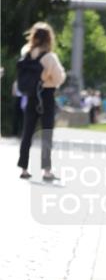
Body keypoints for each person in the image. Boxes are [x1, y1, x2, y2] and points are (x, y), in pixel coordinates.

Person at [17, 21, 66, 181]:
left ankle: (24, 168)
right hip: (46, 95)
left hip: (31, 95)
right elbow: (59, 78)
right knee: (46, 133)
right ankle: (46, 170)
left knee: (27, 132)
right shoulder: (49, 57)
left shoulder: (25, 52)